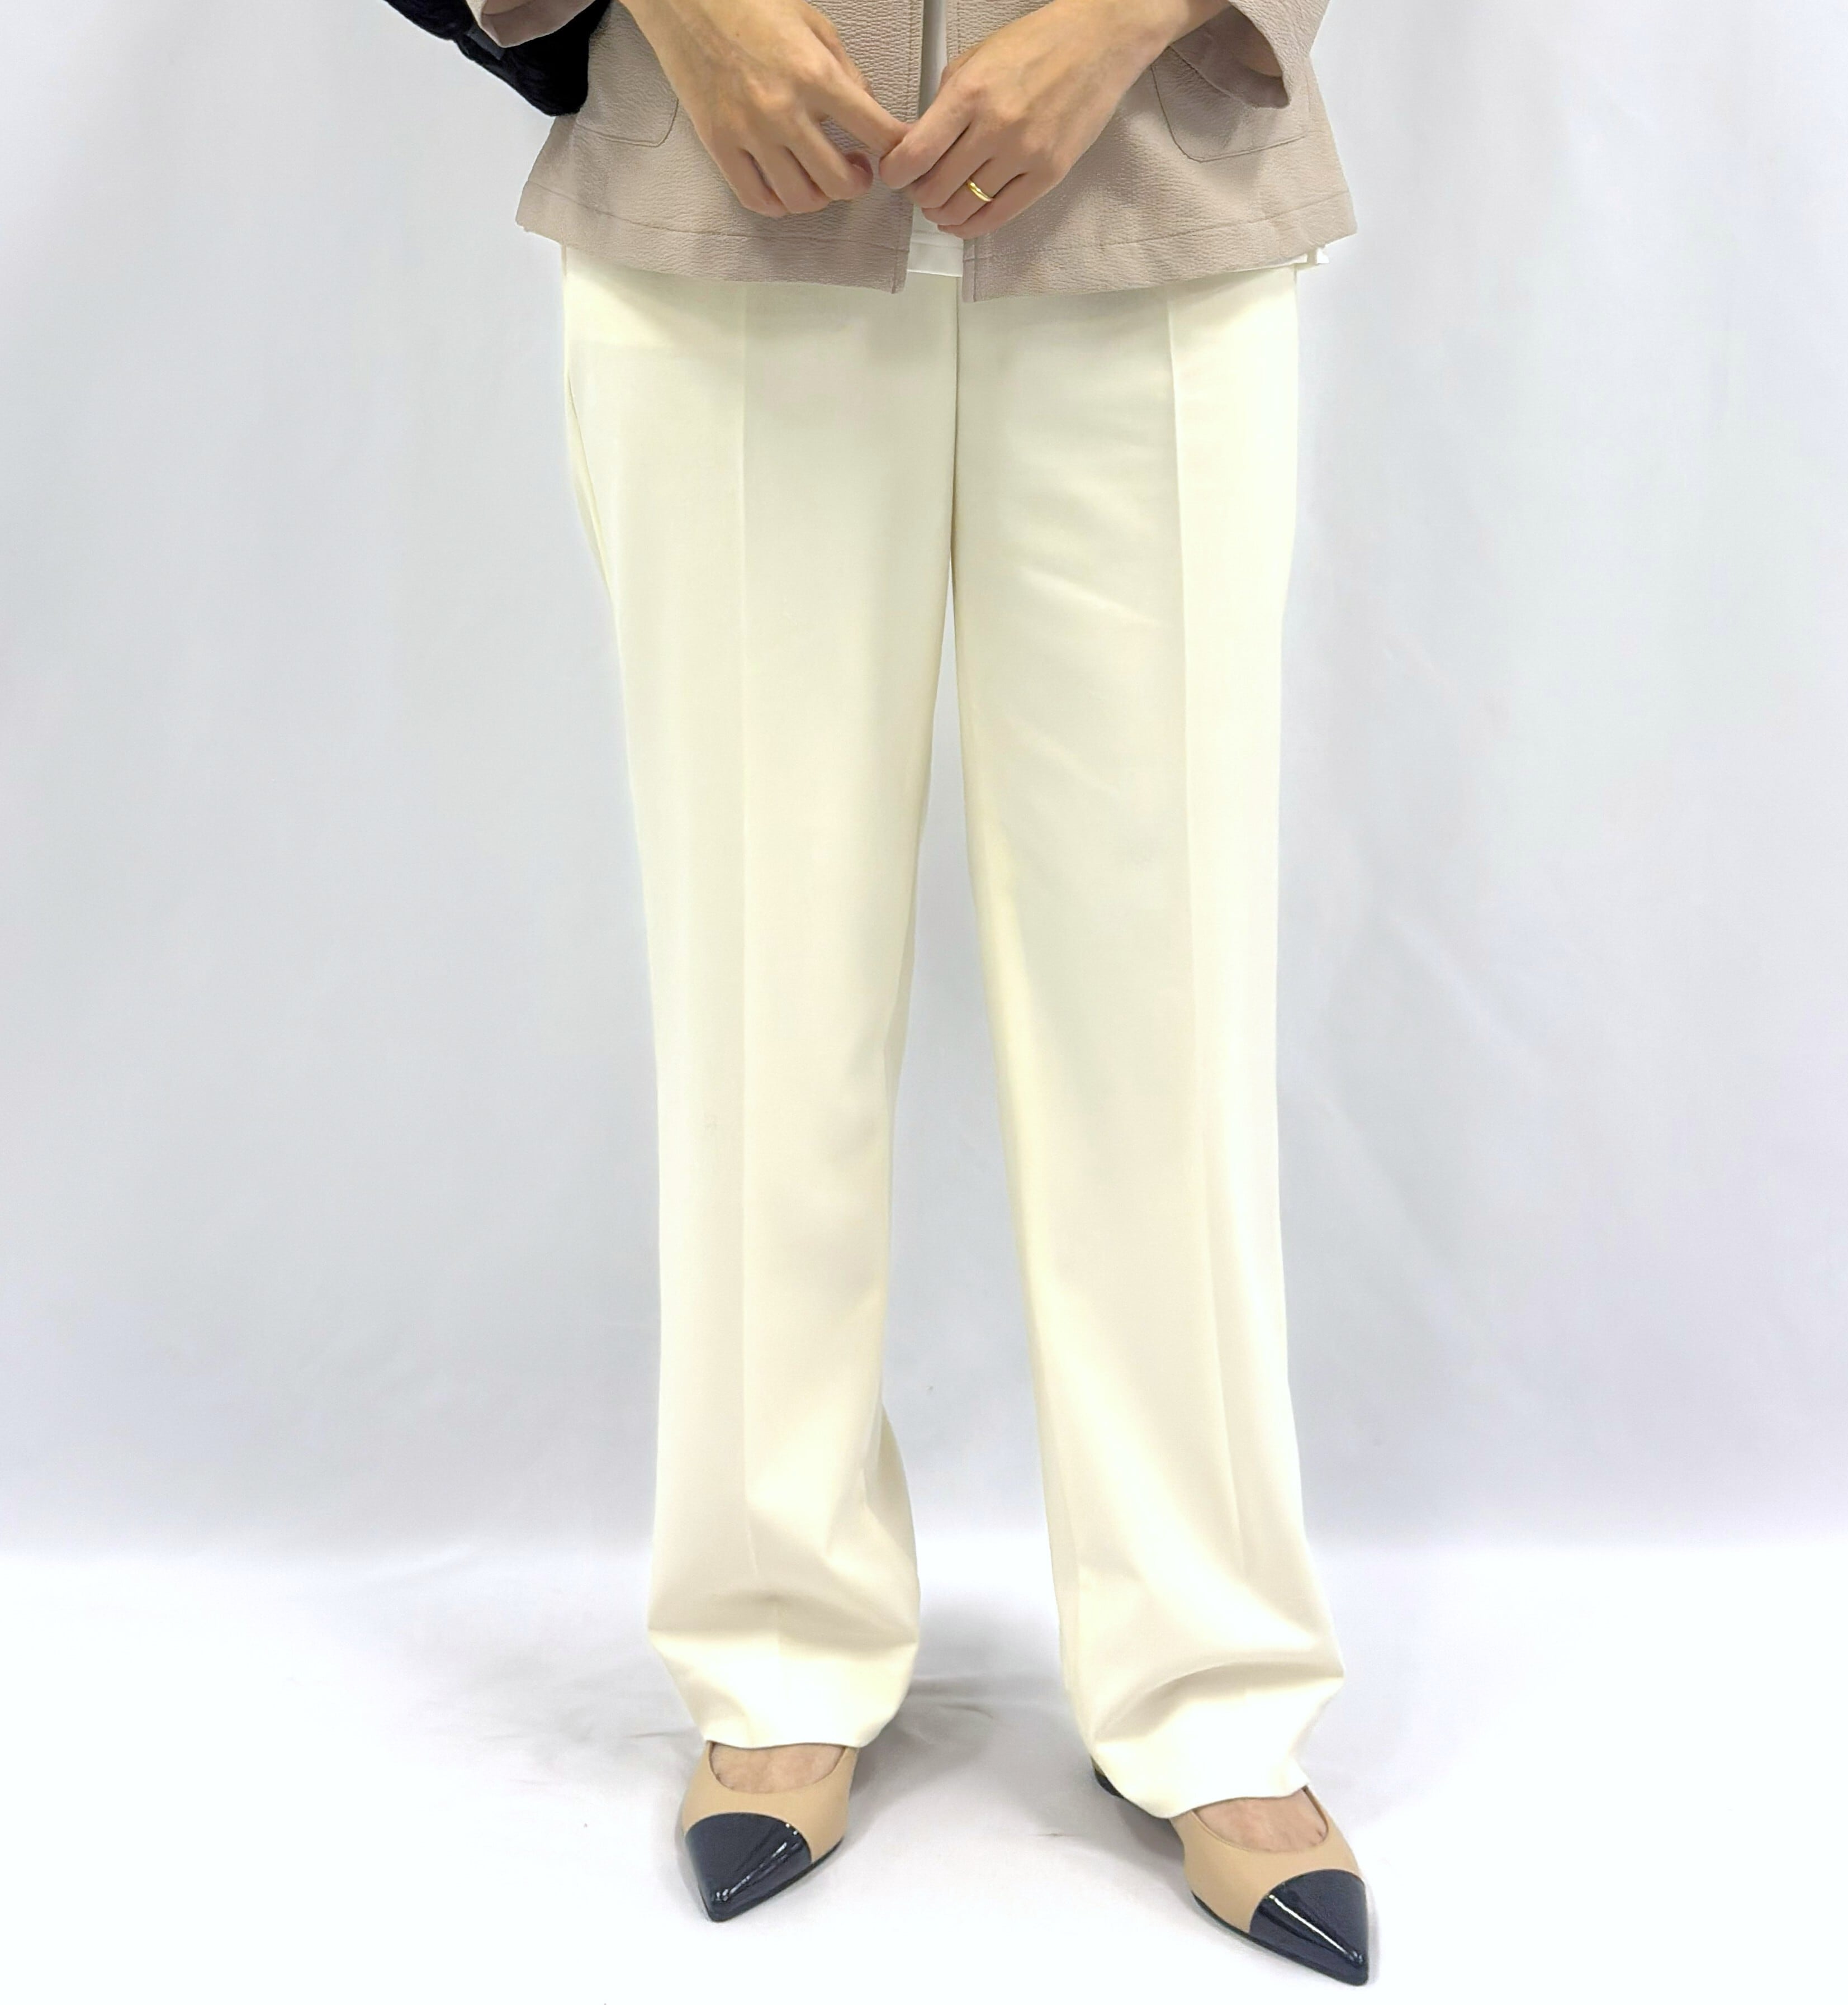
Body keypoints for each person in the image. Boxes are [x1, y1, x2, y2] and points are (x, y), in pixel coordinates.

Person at [470, 0, 1370, 1980]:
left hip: (1152, 190)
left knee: (1163, 1007)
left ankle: (1213, 1679)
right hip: (725, 201)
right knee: (755, 986)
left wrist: (1128, 18)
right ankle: (772, 1646)